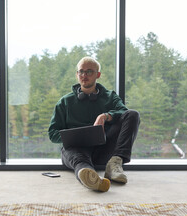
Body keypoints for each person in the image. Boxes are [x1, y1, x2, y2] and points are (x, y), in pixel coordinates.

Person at [48, 57, 140, 192]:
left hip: (104, 149)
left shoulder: (110, 97)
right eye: (81, 72)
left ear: (98, 75)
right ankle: (90, 176)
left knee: (133, 114)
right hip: (76, 150)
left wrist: (105, 116)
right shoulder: (65, 102)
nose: (84, 75)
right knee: (77, 158)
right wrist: (75, 136)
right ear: (77, 74)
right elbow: (52, 134)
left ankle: (115, 164)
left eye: (89, 72)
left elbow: (124, 113)